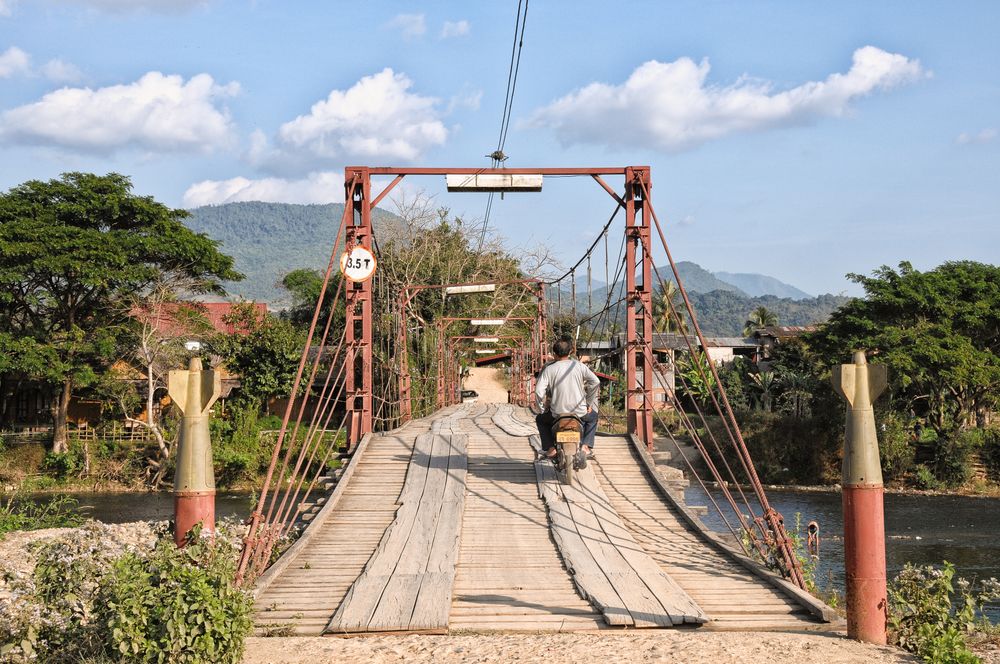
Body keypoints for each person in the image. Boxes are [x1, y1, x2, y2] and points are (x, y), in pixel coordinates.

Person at [534, 335, 600, 461]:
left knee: (541, 420)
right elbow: (595, 382)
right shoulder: (579, 366)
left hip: (557, 413)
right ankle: (585, 446)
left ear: (554, 354)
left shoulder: (549, 369)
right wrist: (588, 404)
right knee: (593, 418)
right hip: (579, 411)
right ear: (570, 352)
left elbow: (538, 391)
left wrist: (542, 409)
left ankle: (550, 449)